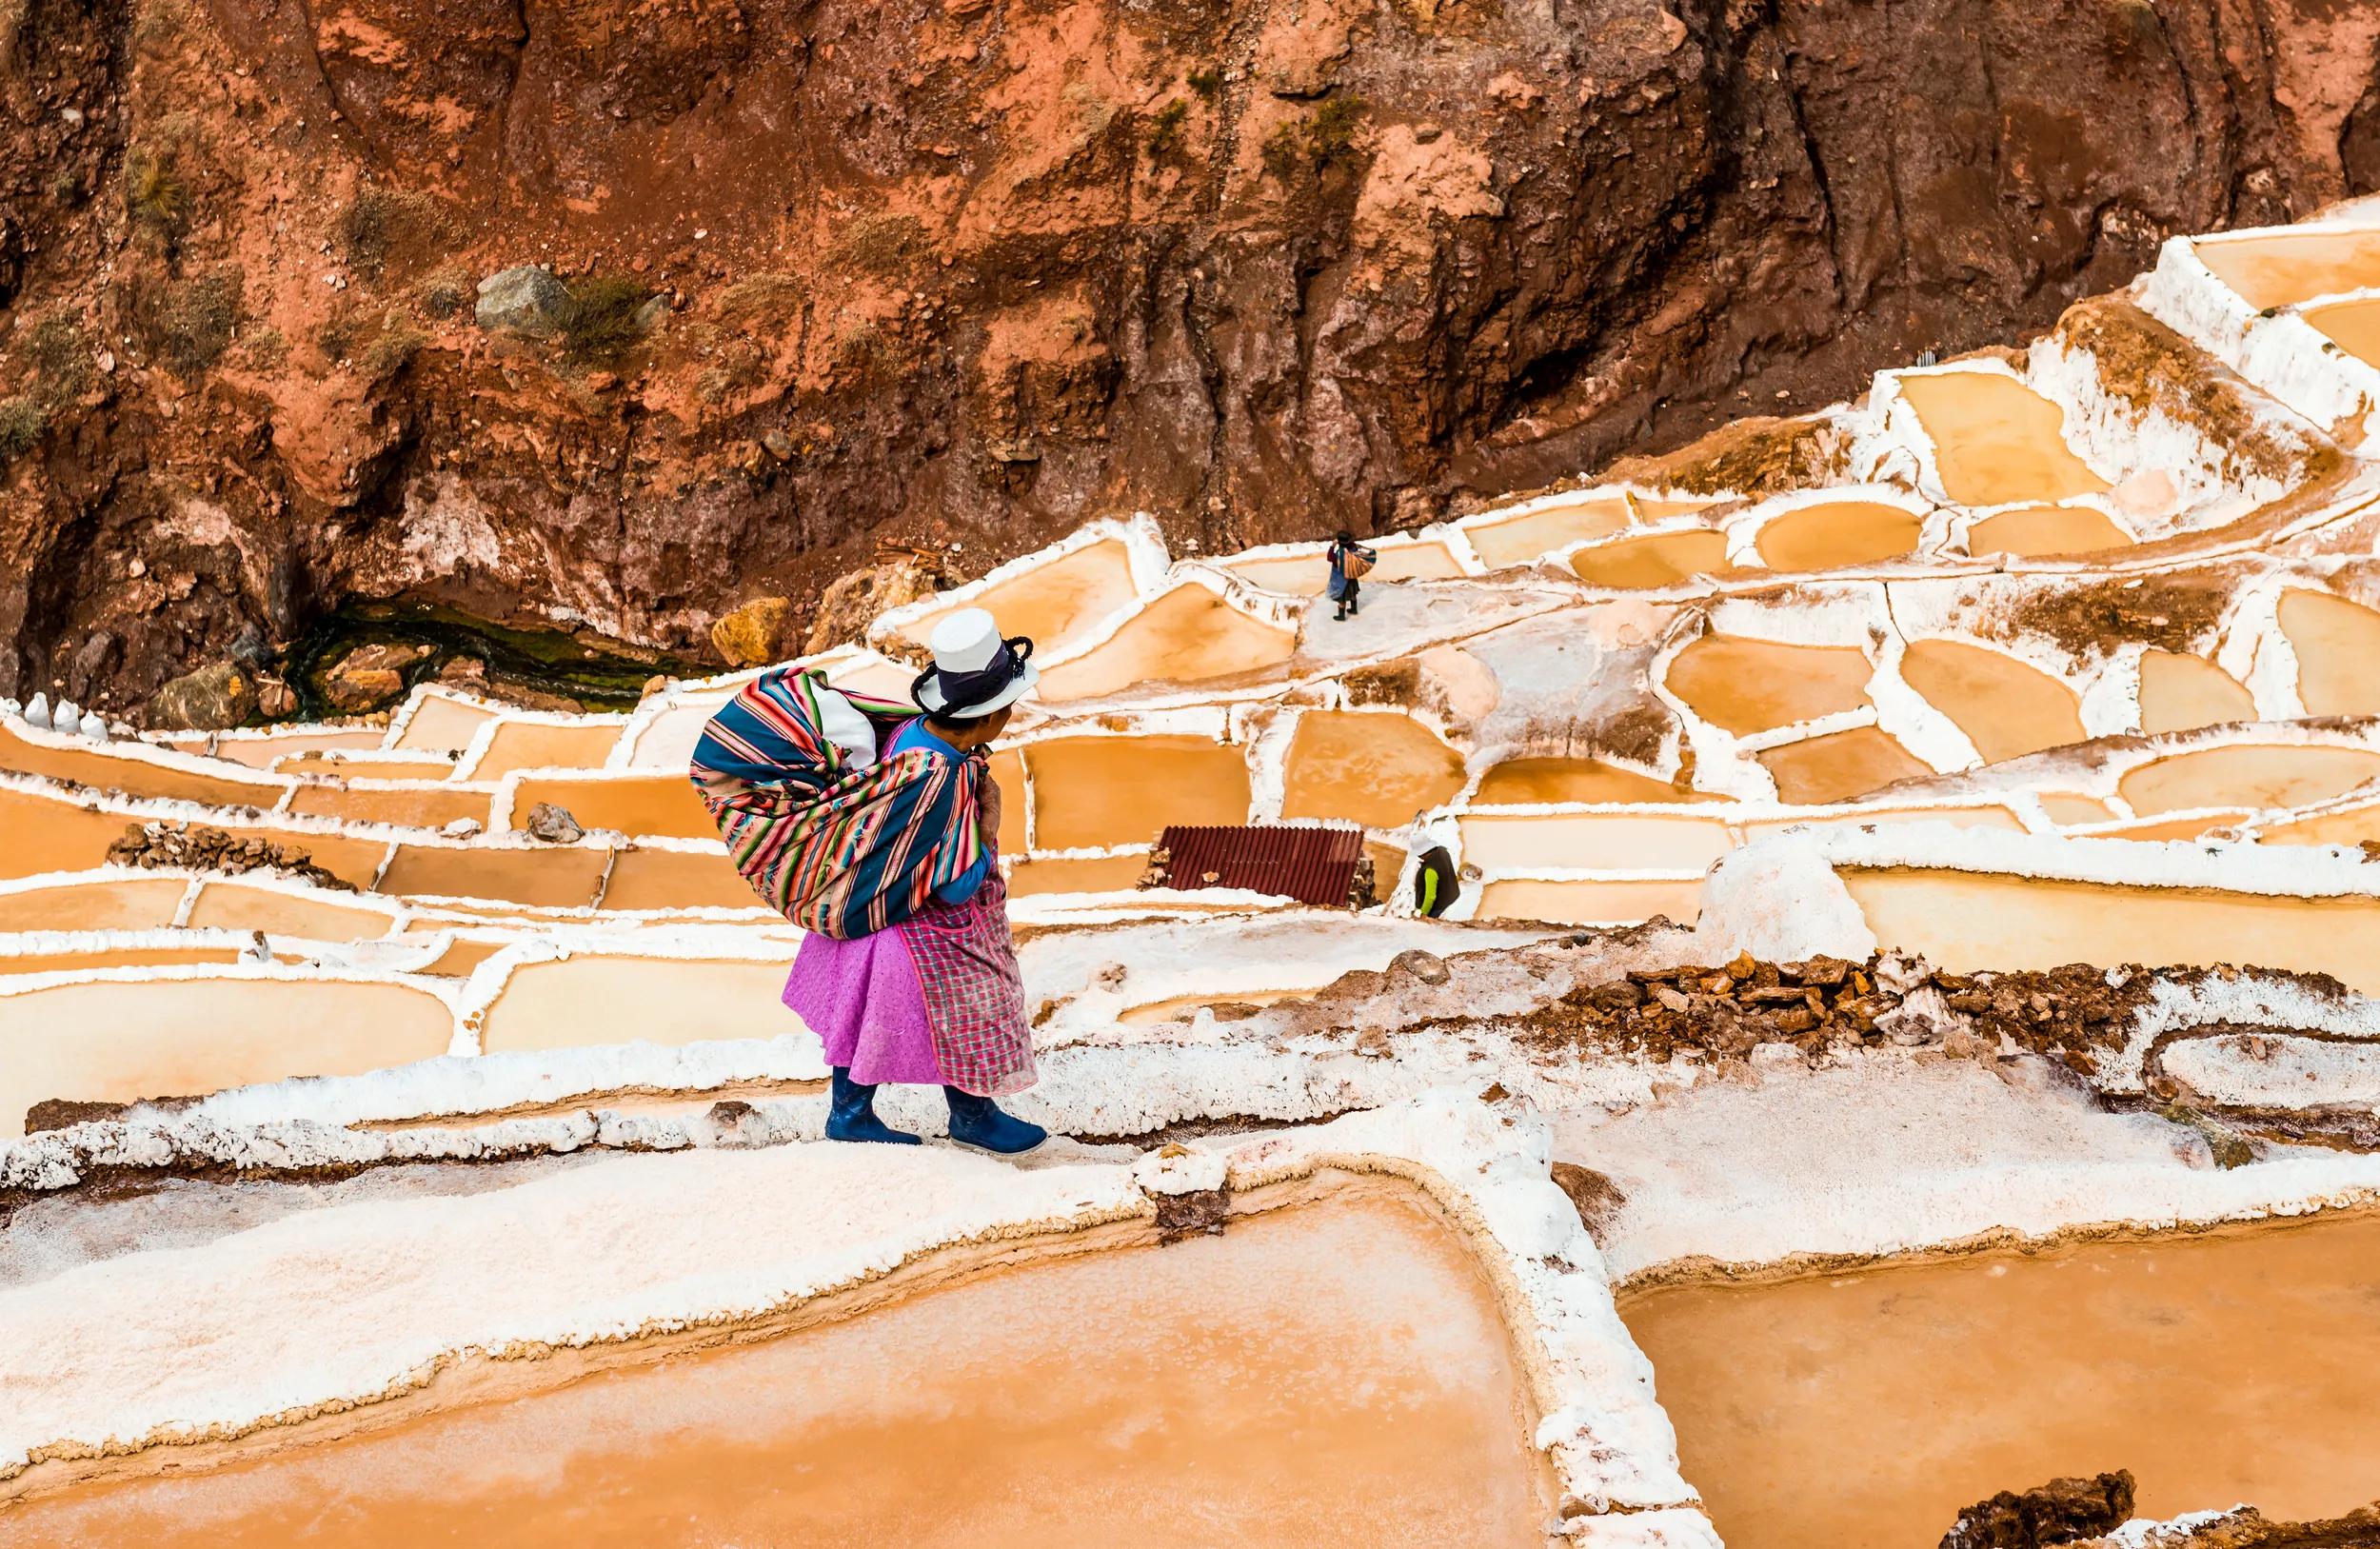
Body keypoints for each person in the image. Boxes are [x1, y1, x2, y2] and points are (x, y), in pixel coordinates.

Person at [778, 608, 1047, 1154]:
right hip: (921, 925)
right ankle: (973, 1117)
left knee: (866, 1015)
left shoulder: (908, 733)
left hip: (874, 903)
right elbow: (954, 886)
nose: (1010, 717)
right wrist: (988, 825)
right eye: (1007, 708)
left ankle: (851, 1114)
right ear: (985, 717)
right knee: (974, 1004)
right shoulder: (939, 779)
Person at [1325, 530, 1377, 621]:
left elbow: (1329, 557)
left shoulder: (1339, 554)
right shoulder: (1353, 549)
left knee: (1342, 599)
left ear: (1339, 542)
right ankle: (1354, 609)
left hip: (1342, 581)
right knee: (1352, 594)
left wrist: (1332, 546)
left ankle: (1341, 616)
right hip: (1352, 578)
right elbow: (1353, 545)